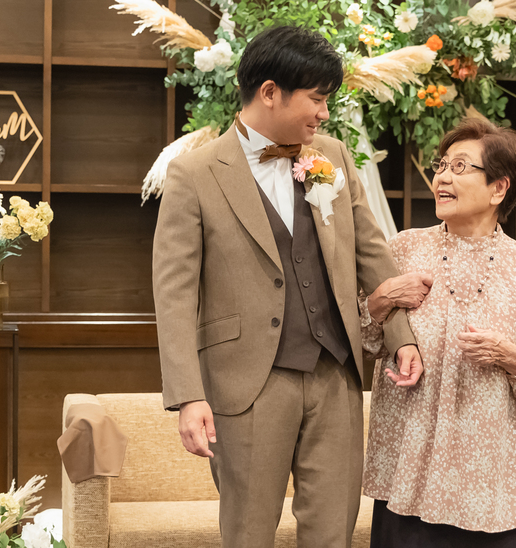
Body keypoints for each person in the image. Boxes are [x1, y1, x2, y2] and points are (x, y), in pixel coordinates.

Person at [152, 26, 428, 548]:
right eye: (317, 98)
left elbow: (371, 252)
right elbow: (174, 296)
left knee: (332, 533)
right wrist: (187, 397)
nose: (324, 112)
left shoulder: (333, 156)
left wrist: (402, 338)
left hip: (336, 374)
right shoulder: (194, 174)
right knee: (249, 535)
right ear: (270, 92)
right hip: (247, 384)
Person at [361, 118, 516, 547]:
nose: (442, 178)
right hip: (408, 474)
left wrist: (511, 356)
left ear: (498, 188)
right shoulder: (403, 248)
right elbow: (362, 339)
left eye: (459, 167)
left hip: (489, 482)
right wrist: (381, 301)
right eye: (441, 165)